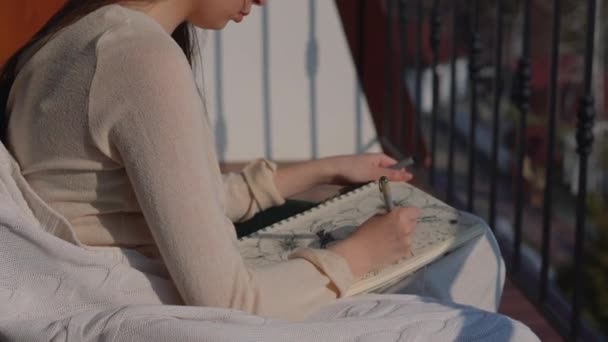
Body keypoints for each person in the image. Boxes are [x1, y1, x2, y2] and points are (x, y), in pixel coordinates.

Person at [0, 0, 502, 321]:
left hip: (106, 291)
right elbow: (232, 306)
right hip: (149, 310)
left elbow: (173, 197)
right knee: (473, 262)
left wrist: (324, 169)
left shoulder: (76, 37)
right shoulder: (140, 60)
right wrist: (360, 254)